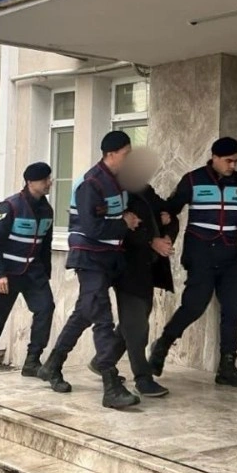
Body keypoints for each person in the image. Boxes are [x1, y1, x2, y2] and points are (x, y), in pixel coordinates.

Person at [149, 137, 237, 389]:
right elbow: (171, 207)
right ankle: (162, 345)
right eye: (228, 161)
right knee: (194, 305)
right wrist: (161, 227)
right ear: (215, 158)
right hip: (201, 254)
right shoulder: (193, 180)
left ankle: (227, 367)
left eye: (236, 161)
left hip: (229, 256)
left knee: (235, 305)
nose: (233, 165)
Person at [37, 130, 142, 409]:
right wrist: (125, 223)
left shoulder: (119, 182)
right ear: (111, 154)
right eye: (126, 154)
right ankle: (111, 384)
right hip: (89, 257)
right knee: (102, 318)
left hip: (109, 258)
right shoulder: (91, 184)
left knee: (85, 312)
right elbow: (93, 228)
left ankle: (52, 365)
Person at [90, 146, 178, 398]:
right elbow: (122, 229)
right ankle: (143, 378)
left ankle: (102, 360)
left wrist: (167, 234)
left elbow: (168, 214)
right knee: (137, 326)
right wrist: (152, 240)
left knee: (133, 321)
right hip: (126, 267)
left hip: (149, 268)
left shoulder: (145, 190)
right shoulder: (115, 191)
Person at [0, 162, 56, 376]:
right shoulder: (9, 206)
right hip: (7, 275)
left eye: (49, 178)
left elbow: (46, 244)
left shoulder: (47, 210)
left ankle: (32, 361)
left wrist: (46, 273)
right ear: (30, 182)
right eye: (45, 179)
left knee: (46, 308)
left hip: (34, 274)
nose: (49, 183)